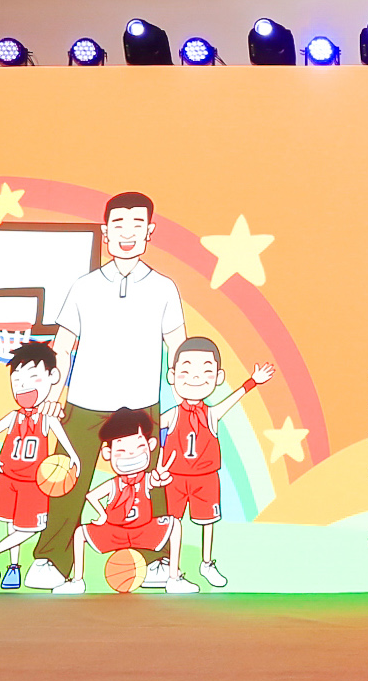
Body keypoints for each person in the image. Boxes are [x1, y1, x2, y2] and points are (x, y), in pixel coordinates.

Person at [30, 192, 187, 588]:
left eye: (137, 224)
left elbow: (177, 345)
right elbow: (63, 345)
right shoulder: (84, 287)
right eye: (118, 224)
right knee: (67, 477)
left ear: (150, 231)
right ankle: (52, 559)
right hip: (84, 400)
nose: (127, 233)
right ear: (105, 232)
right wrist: (53, 393)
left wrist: (184, 393)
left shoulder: (164, 288)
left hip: (141, 401)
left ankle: (154, 560)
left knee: (152, 482)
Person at [157, 337, 275, 590]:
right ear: (172, 375)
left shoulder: (210, 413)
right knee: (173, 523)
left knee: (207, 522)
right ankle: (172, 570)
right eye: (186, 371)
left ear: (218, 377)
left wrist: (253, 382)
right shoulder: (173, 414)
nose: (195, 378)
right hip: (175, 477)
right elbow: (150, 429)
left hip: (205, 477)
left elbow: (233, 399)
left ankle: (206, 563)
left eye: (206, 372)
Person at [0, 342, 75, 590]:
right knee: (13, 525)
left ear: (52, 377)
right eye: (17, 380)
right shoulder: (14, 417)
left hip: (34, 484)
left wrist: (74, 458)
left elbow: (65, 442)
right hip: (8, 479)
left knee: (28, 528)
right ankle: (14, 567)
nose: (23, 385)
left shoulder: (47, 419)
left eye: (33, 377)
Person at [67, 407, 181, 595]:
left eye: (139, 447)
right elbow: (91, 496)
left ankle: (174, 578)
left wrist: (161, 477)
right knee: (80, 533)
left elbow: (156, 480)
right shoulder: (115, 484)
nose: (131, 455)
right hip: (115, 531)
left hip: (142, 529)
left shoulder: (145, 480)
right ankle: (77, 581)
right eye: (121, 450)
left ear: (150, 445)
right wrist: (103, 515)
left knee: (174, 525)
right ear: (107, 453)